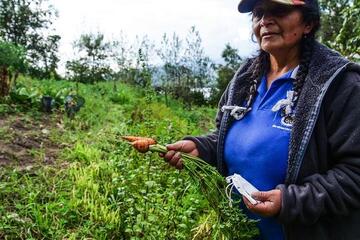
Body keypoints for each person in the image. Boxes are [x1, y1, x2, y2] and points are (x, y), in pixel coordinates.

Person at [160, 0, 360, 239]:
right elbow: (229, 137)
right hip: (240, 232)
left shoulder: (339, 85)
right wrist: (202, 148)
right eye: (258, 13)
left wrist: (289, 201)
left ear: (308, 23)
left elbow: (354, 174)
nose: (265, 20)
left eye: (278, 10)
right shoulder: (246, 78)